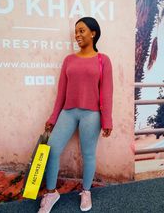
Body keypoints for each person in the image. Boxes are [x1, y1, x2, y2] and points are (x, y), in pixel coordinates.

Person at [38, 17, 113, 213]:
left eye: (81, 31)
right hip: (68, 112)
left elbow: (106, 92)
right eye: (76, 31)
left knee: (88, 154)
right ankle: (52, 193)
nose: (77, 35)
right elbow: (61, 93)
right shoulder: (69, 60)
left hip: (92, 115)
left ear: (93, 33)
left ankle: (86, 191)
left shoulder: (103, 60)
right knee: (53, 149)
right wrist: (53, 118)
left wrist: (107, 120)